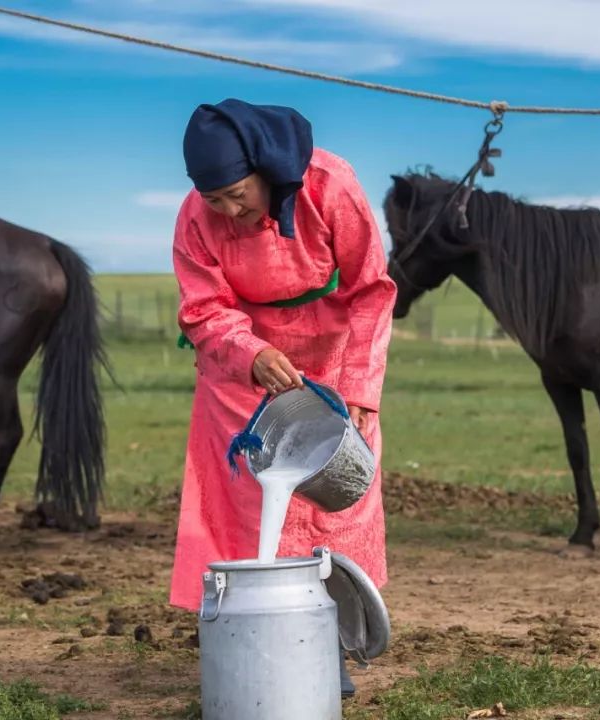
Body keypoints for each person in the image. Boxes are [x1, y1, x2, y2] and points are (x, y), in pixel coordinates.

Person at [168, 98, 396, 697]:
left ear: (266, 170)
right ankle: (247, 634)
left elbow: (372, 290)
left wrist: (360, 389)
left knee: (335, 506)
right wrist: (249, 354)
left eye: (238, 194)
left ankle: (332, 641)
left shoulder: (331, 186)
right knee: (245, 500)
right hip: (243, 367)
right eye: (215, 199)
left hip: (332, 355)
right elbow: (202, 309)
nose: (228, 210)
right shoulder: (195, 215)